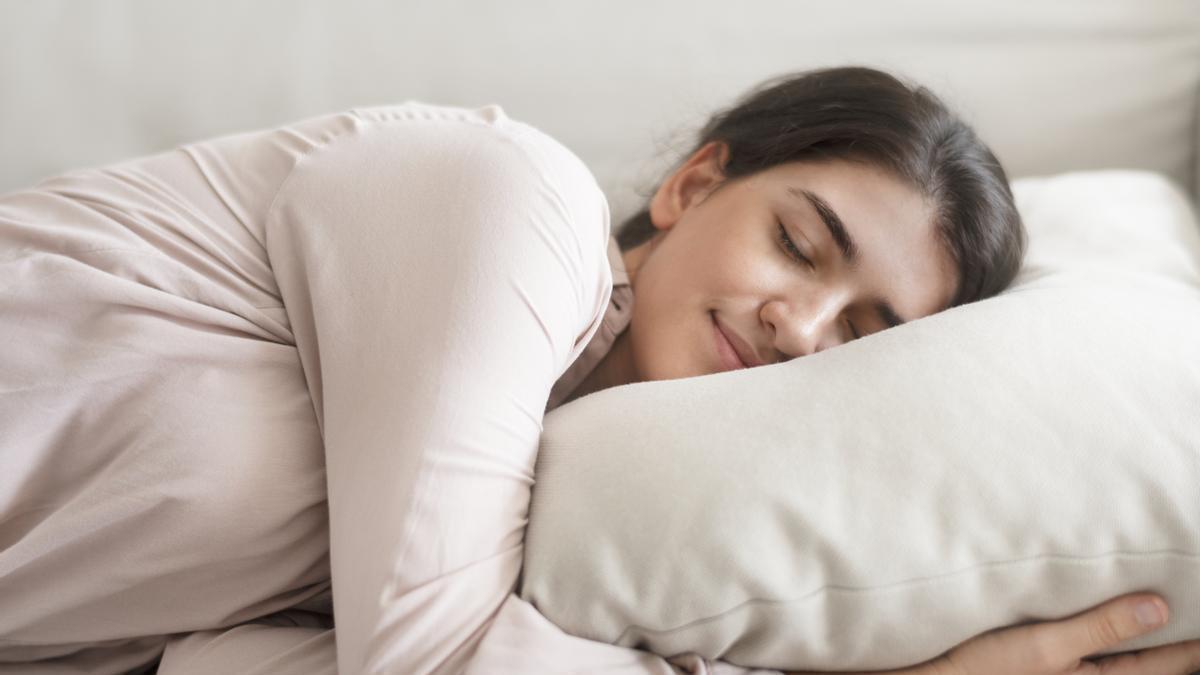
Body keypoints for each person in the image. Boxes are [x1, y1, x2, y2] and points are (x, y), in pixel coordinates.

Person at [0, 66, 1195, 675]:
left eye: (865, 334)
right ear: (691, 185)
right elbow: (427, 664)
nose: (801, 324)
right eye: (797, 242)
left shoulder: (563, 517)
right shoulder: (513, 200)